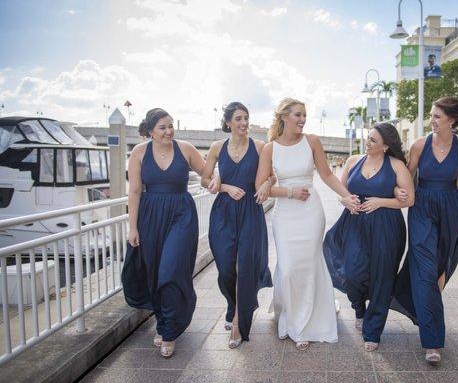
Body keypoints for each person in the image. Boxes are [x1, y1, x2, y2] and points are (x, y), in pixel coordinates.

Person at [255, 98, 360, 351]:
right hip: (285, 215)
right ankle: (291, 315)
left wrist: (345, 195)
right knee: (289, 268)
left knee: (310, 264)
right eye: (298, 115)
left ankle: (305, 323)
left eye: (304, 115)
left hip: (311, 212)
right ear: (283, 117)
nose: (302, 120)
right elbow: (260, 189)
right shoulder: (270, 149)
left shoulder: (312, 141)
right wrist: (289, 192)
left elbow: (326, 174)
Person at [392, 97, 458, 363]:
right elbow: (405, 175)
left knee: (440, 271)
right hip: (423, 210)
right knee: (424, 272)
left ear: (451, 119)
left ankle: (425, 311)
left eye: (437, 116)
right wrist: (396, 191)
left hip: (450, 209)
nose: (432, 121)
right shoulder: (419, 145)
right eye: (431, 116)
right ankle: (432, 342)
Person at [323, 122, 415, 352]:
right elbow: (342, 191)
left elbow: (409, 200)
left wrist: (381, 201)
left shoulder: (396, 165)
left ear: (386, 146)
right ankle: (359, 309)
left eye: (373, 140)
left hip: (387, 228)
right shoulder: (353, 161)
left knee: (382, 278)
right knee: (353, 274)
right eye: (368, 137)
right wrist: (344, 200)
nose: (368, 142)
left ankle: (373, 330)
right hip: (353, 225)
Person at [122, 108, 206, 358]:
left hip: (181, 214)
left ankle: (170, 331)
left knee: (171, 270)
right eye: (162, 127)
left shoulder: (186, 149)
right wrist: (133, 227)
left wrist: (226, 183)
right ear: (150, 131)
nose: (169, 131)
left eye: (171, 126)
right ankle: (163, 322)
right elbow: (135, 192)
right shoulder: (138, 153)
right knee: (155, 272)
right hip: (150, 217)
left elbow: (207, 174)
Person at [202, 102, 273, 348]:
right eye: (239, 119)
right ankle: (233, 304)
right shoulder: (216, 147)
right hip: (223, 212)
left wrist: (266, 184)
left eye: (246, 118)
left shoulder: (260, 146)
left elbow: (272, 174)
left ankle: (239, 322)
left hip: (250, 212)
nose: (244, 123)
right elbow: (204, 179)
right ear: (228, 123)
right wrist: (224, 186)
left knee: (245, 267)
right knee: (225, 268)